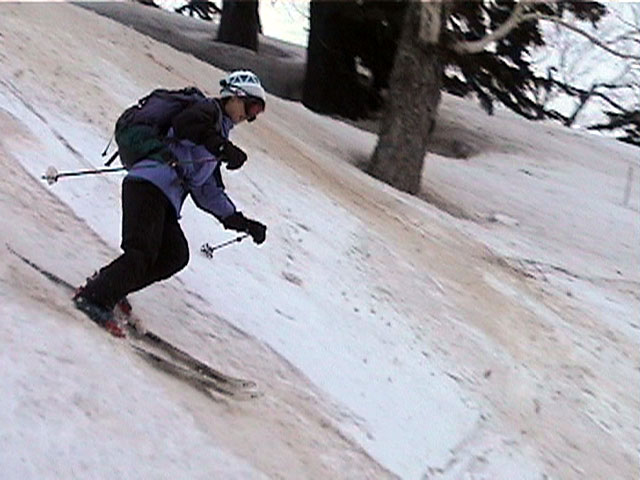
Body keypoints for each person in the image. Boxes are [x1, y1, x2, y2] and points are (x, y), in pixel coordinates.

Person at [74, 70, 268, 337]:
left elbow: (208, 191)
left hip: (165, 198)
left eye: (256, 112)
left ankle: (112, 286)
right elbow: (187, 124)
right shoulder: (206, 111)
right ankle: (94, 298)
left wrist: (243, 223)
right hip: (147, 185)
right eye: (251, 106)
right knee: (142, 252)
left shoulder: (216, 134)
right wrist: (222, 148)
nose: (250, 116)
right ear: (234, 97)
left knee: (174, 255)